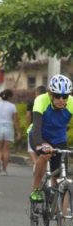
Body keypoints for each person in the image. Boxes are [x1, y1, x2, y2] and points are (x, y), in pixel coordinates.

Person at [28, 75, 73, 204]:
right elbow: (36, 126)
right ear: (50, 94)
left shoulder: (71, 102)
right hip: (40, 135)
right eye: (57, 96)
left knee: (60, 179)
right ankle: (36, 189)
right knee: (45, 155)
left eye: (64, 96)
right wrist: (40, 144)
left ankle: (63, 221)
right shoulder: (41, 100)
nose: (61, 99)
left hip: (59, 138)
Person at [0, 89, 21, 176]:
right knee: (6, 149)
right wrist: (18, 132)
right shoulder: (13, 106)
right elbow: (16, 120)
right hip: (8, 127)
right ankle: (4, 170)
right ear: (10, 97)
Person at [26, 85, 46, 168]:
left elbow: (28, 115)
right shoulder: (48, 102)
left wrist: (28, 124)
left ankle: (35, 163)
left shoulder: (32, 102)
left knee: (31, 148)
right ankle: (40, 164)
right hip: (46, 127)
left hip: (34, 126)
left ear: (36, 93)